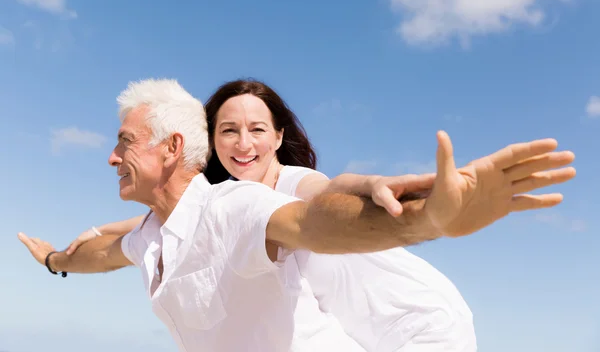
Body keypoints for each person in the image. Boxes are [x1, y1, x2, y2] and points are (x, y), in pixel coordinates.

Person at [19, 78, 575, 352]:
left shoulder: (261, 198)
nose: (242, 142)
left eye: (257, 129)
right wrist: (55, 258)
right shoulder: (171, 224)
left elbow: (324, 207)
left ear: (279, 137)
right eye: (227, 131)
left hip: (420, 327)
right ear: (207, 146)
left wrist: (423, 215)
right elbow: (119, 244)